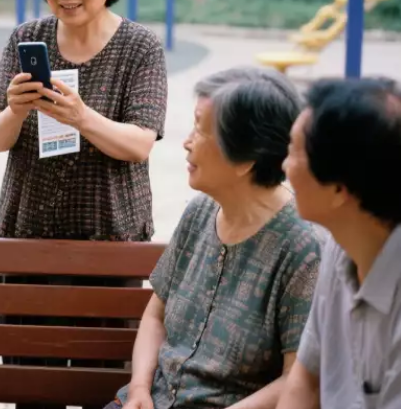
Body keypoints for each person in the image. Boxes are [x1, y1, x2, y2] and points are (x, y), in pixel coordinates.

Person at [0, 0, 167, 409]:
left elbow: (140, 142)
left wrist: (82, 117)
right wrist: (16, 111)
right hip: (27, 239)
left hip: (111, 242)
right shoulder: (27, 39)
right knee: (32, 387)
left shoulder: (139, 47)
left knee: (100, 386)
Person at [106, 67, 323, 409]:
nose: (187, 142)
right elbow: (155, 316)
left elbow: (297, 380)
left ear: (246, 159)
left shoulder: (303, 248)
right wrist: (139, 389)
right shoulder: (200, 211)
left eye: (201, 130)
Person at [278, 77, 401, 409]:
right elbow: (305, 379)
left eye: (293, 152)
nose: (284, 166)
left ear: (337, 189)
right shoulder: (340, 243)